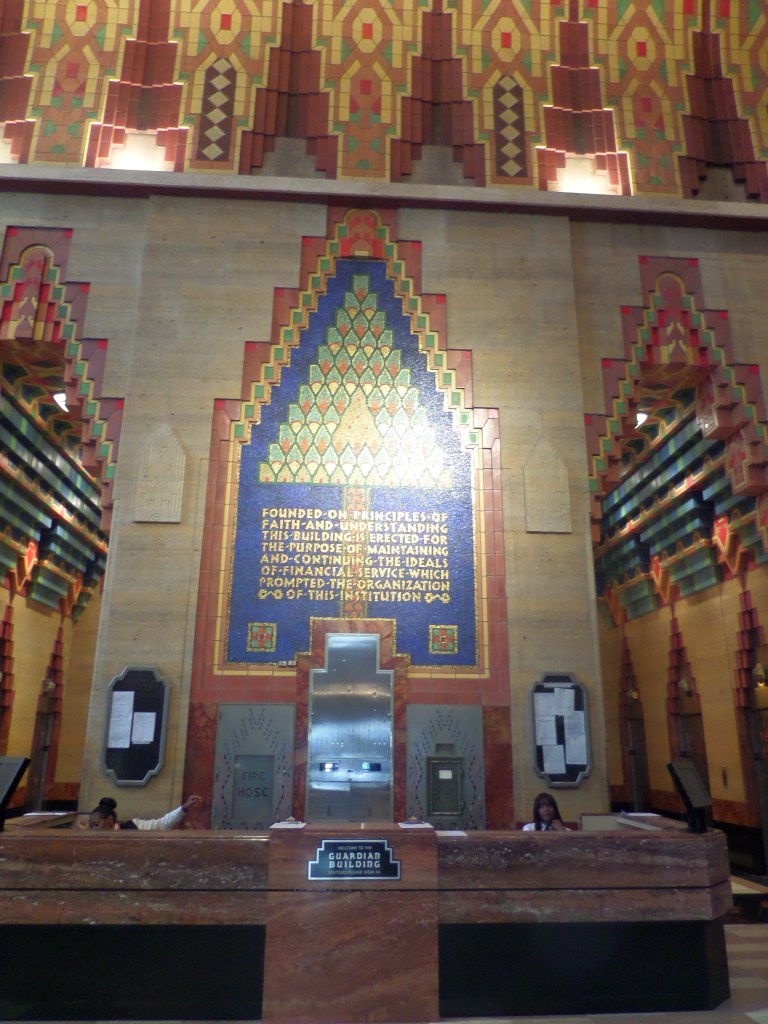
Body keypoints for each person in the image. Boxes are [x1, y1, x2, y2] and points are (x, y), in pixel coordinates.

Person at [86, 794, 201, 831]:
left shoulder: (133, 826)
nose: (93, 830)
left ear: (109, 819)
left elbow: (163, 824)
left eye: (96, 825)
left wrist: (184, 807)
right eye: (91, 827)